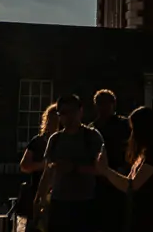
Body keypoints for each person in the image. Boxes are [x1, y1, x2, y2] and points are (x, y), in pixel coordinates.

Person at [95, 106, 153, 232]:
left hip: (151, 217)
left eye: (133, 129)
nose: (131, 134)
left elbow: (131, 185)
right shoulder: (144, 153)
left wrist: (105, 170)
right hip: (140, 214)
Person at [43, 94, 105, 232]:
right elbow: (47, 172)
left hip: (85, 202)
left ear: (80, 111)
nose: (69, 117)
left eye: (72, 111)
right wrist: (40, 198)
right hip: (58, 203)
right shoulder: (55, 139)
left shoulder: (92, 136)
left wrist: (75, 168)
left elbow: (102, 169)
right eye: (64, 113)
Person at [89, 90, 131, 232]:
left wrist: (125, 168)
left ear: (113, 104)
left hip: (118, 178)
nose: (103, 107)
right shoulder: (92, 129)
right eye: (100, 104)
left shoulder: (124, 125)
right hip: (97, 182)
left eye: (107, 103)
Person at [20, 104, 61, 232]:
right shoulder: (37, 141)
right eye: (51, 119)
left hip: (61, 196)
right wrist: (43, 165)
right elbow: (24, 165)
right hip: (38, 193)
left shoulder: (66, 141)